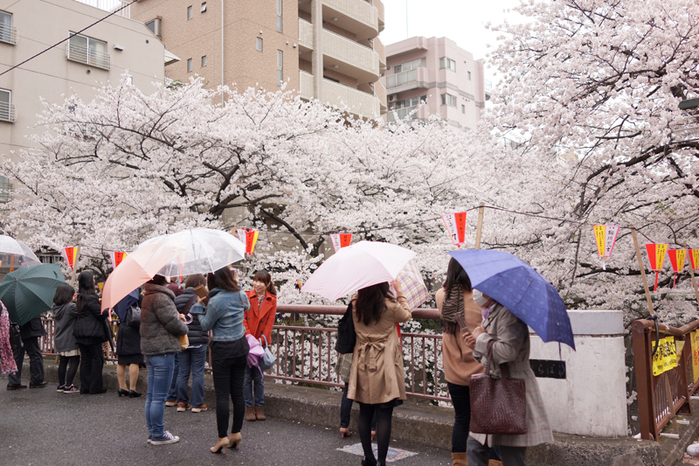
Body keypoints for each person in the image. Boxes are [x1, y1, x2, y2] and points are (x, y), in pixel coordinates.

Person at [464, 290, 554, 466]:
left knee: (512, 455)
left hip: (512, 387)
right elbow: (489, 352)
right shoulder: (491, 311)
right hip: (494, 385)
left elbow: (507, 352)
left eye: (481, 289)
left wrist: (481, 338)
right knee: (475, 446)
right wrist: (476, 345)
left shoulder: (510, 314)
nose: (477, 293)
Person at [347, 281, 411, 466]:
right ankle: (382, 461)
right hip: (384, 362)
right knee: (384, 413)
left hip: (363, 360)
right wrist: (400, 292)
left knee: (365, 411)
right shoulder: (390, 306)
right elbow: (407, 315)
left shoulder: (355, 304)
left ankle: (368, 457)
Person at [192, 266, 250, 455]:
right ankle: (236, 433)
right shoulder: (241, 294)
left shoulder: (214, 301)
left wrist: (201, 305)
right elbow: (247, 307)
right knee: (238, 393)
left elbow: (206, 325)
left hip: (223, 349)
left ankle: (222, 437)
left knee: (223, 395)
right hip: (241, 346)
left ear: (213, 281)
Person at [435, 258, 483, 466]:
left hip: (454, 369)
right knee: (486, 420)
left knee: (462, 418)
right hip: (480, 369)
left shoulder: (441, 296)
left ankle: (459, 463)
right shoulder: (480, 298)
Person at [140, 274, 189, 445]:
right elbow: (173, 324)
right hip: (164, 350)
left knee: (152, 395)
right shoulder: (161, 297)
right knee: (159, 396)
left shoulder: (148, 295)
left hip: (151, 351)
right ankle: (158, 433)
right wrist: (182, 323)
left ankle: (153, 432)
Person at [243, 269, 277, 421]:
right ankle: (249, 407)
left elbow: (270, 323)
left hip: (261, 342)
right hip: (246, 342)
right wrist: (249, 338)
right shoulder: (245, 296)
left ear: (267, 284)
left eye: (261, 281)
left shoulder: (272, 300)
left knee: (259, 377)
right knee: (245, 377)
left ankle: (259, 406)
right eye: (255, 280)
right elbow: (243, 319)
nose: (257, 284)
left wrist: (261, 341)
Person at [173, 274, 209, 413]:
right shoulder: (201, 299)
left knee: (183, 372)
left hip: (183, 340)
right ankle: (196, 404)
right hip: (199, 340)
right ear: (200, 284)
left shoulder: (177, 299)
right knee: (198, 373)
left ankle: (181, 402)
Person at [72, 271, 108, 394]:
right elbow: (101, 314)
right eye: (92, 279)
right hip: (92, 333)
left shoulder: (80, 297)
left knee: (86, 360)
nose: (94, 280)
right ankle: (95, 387)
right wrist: (106, 307)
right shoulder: (91, 298)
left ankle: (85, 386)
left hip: (80, 332)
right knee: (97, 359)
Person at [52, 284, 80, 393]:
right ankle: (69, 386)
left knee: (63, 361)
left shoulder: (55, 306)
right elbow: (81, 311)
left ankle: (61, 385)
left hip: (60, 338)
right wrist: (75, 301)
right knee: (74, 361)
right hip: (70, 338)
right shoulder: (70, 306)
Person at [7, 315, 47, 390]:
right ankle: (36, 379)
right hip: (30, 327)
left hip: (16, 326)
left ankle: (14, 380)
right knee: (35, 354)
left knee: (17, 354)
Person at [116, 291, 144, 398]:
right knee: (134, 360)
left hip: (122, 328)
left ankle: (122, 387)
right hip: (134, 328)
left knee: (121, 360)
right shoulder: (137, 297)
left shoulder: (118, 297)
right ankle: (133, 388)